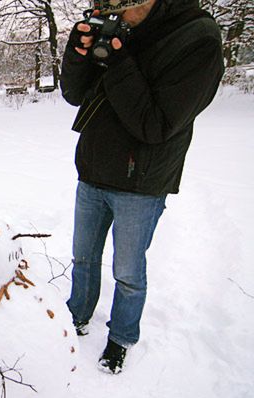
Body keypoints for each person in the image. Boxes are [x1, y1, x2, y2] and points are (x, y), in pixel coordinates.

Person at [60, 0, 223, 374]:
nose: (114, 17)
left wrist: (118, 58)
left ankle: (120, 338)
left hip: (141, 181)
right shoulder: (121, 26)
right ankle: (77, 316)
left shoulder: (198, 39)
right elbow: (75, 94)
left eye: (120, 8)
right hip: (93, 170)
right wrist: (79, 52)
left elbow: (156, 124)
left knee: (128, 272)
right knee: (83, 259)